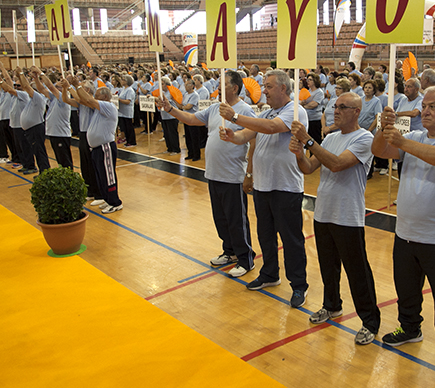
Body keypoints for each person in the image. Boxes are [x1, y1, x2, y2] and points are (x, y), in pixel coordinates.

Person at [372, 86, 435, 380]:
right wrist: (384, 128)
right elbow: (380, 150)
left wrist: (402, 140)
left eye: (432, 107)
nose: (425, 111)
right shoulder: (414, 137)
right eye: (424, 106)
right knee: (406, 288)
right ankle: (410, 327)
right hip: (406, 232)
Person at [289, 91, 380, 345]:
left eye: (343, 107)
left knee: (357, 271)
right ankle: (332, 305)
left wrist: (307, 141)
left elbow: (338, 164)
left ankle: (370, 321)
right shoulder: (329, 138)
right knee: (328, 266)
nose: (336, 111)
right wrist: (298, 153)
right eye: (335, 106)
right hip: (324, 212)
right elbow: (308, 168)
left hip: (348, 215)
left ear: (357, 112)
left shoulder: (365, 138)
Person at [219, 69, 309, 308]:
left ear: (282, 88)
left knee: (291, 240)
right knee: (265, 235)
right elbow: (247, 136)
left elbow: (270, 127)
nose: (264, 90)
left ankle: (299, 285)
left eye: (268, 86)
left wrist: (236, 117)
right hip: (263, 185)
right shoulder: (267, 111)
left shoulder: (295, 111)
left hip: (286, 187)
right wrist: (232, 135)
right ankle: (270, 273)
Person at [159, 70, 256, 278]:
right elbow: (192, 119)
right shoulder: (214, 108)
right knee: (221, 218)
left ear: (235, 88)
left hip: (233, 175)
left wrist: (249, 172)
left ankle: (246, 258)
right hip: (214, 173)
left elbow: (252, 136)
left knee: (236, 220)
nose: (219, 88)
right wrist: (171, 109)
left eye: (224, 85)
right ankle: (229, 252)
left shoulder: (245, 110)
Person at [65, 78, 123, 214]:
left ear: (104, 96)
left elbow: (88, 100)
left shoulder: (108, 106)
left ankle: (115, 202)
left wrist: (76, 85)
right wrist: (70, 87)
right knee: (100, 176)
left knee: (108, 176)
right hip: (97, 148)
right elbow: (84, 100)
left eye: (97, 95)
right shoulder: (98, 108)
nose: (94, 97)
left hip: (105, 146)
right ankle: (107, 199)